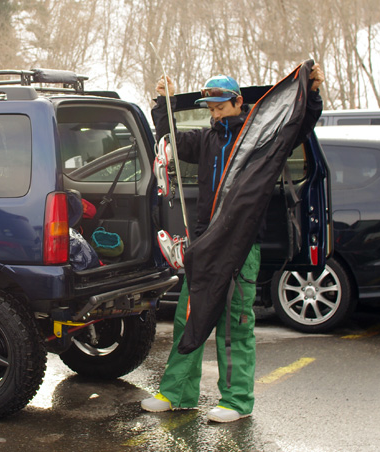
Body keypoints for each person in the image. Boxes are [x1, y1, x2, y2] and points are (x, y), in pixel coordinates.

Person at [142, 64, 325, 423]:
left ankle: (237, 402)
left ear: (239, 102)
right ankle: (178, 393)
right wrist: (161, 104)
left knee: (234, 325)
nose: (214, 113)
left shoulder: (260, 139)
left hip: (242, 248)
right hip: (205, 246)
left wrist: (313, 94)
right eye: (209, 108)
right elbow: (171, 144)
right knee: (189, 319)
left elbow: (299, 125)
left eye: (220, 107)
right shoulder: (206, 139)